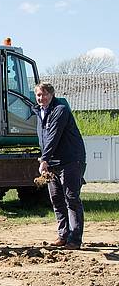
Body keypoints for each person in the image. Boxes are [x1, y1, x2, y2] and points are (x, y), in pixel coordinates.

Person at [33, 82, 86, 250]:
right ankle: (63, 235)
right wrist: (46, 159)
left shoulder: (60, 110)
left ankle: (75, 239)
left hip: (70, 160)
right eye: (39, 95)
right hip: (53, 163)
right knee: (56, 199)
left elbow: (54, 136)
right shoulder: (40, 112)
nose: (41, 98)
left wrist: (44, 159)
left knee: (71, 198)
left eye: (44, 94)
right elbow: (44, 139)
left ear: (52, 94)